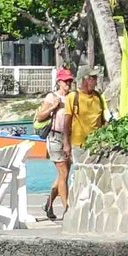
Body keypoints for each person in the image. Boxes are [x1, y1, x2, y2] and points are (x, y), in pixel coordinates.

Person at [33, 68, 75, 221]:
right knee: (63, 173)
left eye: (70, 81)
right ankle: (67, 209)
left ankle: (48, 204)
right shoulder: (52, 97)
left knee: (63, 175)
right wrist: (53, 107)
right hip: (55, 138)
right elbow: (40, 116)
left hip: (68, 139)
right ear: (59, 82)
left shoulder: (71, 97)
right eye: (66, 81)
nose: (68, 83)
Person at [69, 71, 105, 152]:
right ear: (85, 80)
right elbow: (66, 122)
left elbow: (103, 120)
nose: (96, 82)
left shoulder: (98, 97)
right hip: (78, 145)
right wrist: (66, 144)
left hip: (96, 144)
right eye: (93, 79)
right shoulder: (73, 96)